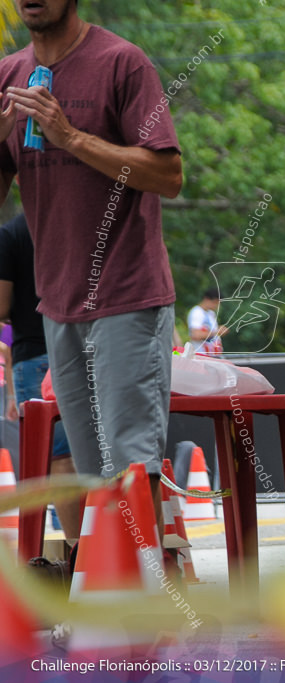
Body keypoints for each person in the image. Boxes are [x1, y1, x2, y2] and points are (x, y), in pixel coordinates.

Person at [0, 0, 183, 564]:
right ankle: (112, 607)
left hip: (127, 295)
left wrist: (69, 134)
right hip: (56, 305)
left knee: (130, 464)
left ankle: (148, 611)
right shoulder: (8, 75)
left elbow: (167, 175)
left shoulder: (122, 63)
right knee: (89, 472)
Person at [0, 213, 77, 544]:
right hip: (86, 349)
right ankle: (112, 545)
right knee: (95, 452)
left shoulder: (12, 234)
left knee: (59, 460)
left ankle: (79, 553)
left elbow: (1, 306)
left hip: (34, 354)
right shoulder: (80, 220)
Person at [187, 287, 228, 354]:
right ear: (206, 299)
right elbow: (195, 335)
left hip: (213, 355)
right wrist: (217, 332)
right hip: (201, 355)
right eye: (215, 302)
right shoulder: (196, 312)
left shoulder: (211, 313)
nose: (216, 306)